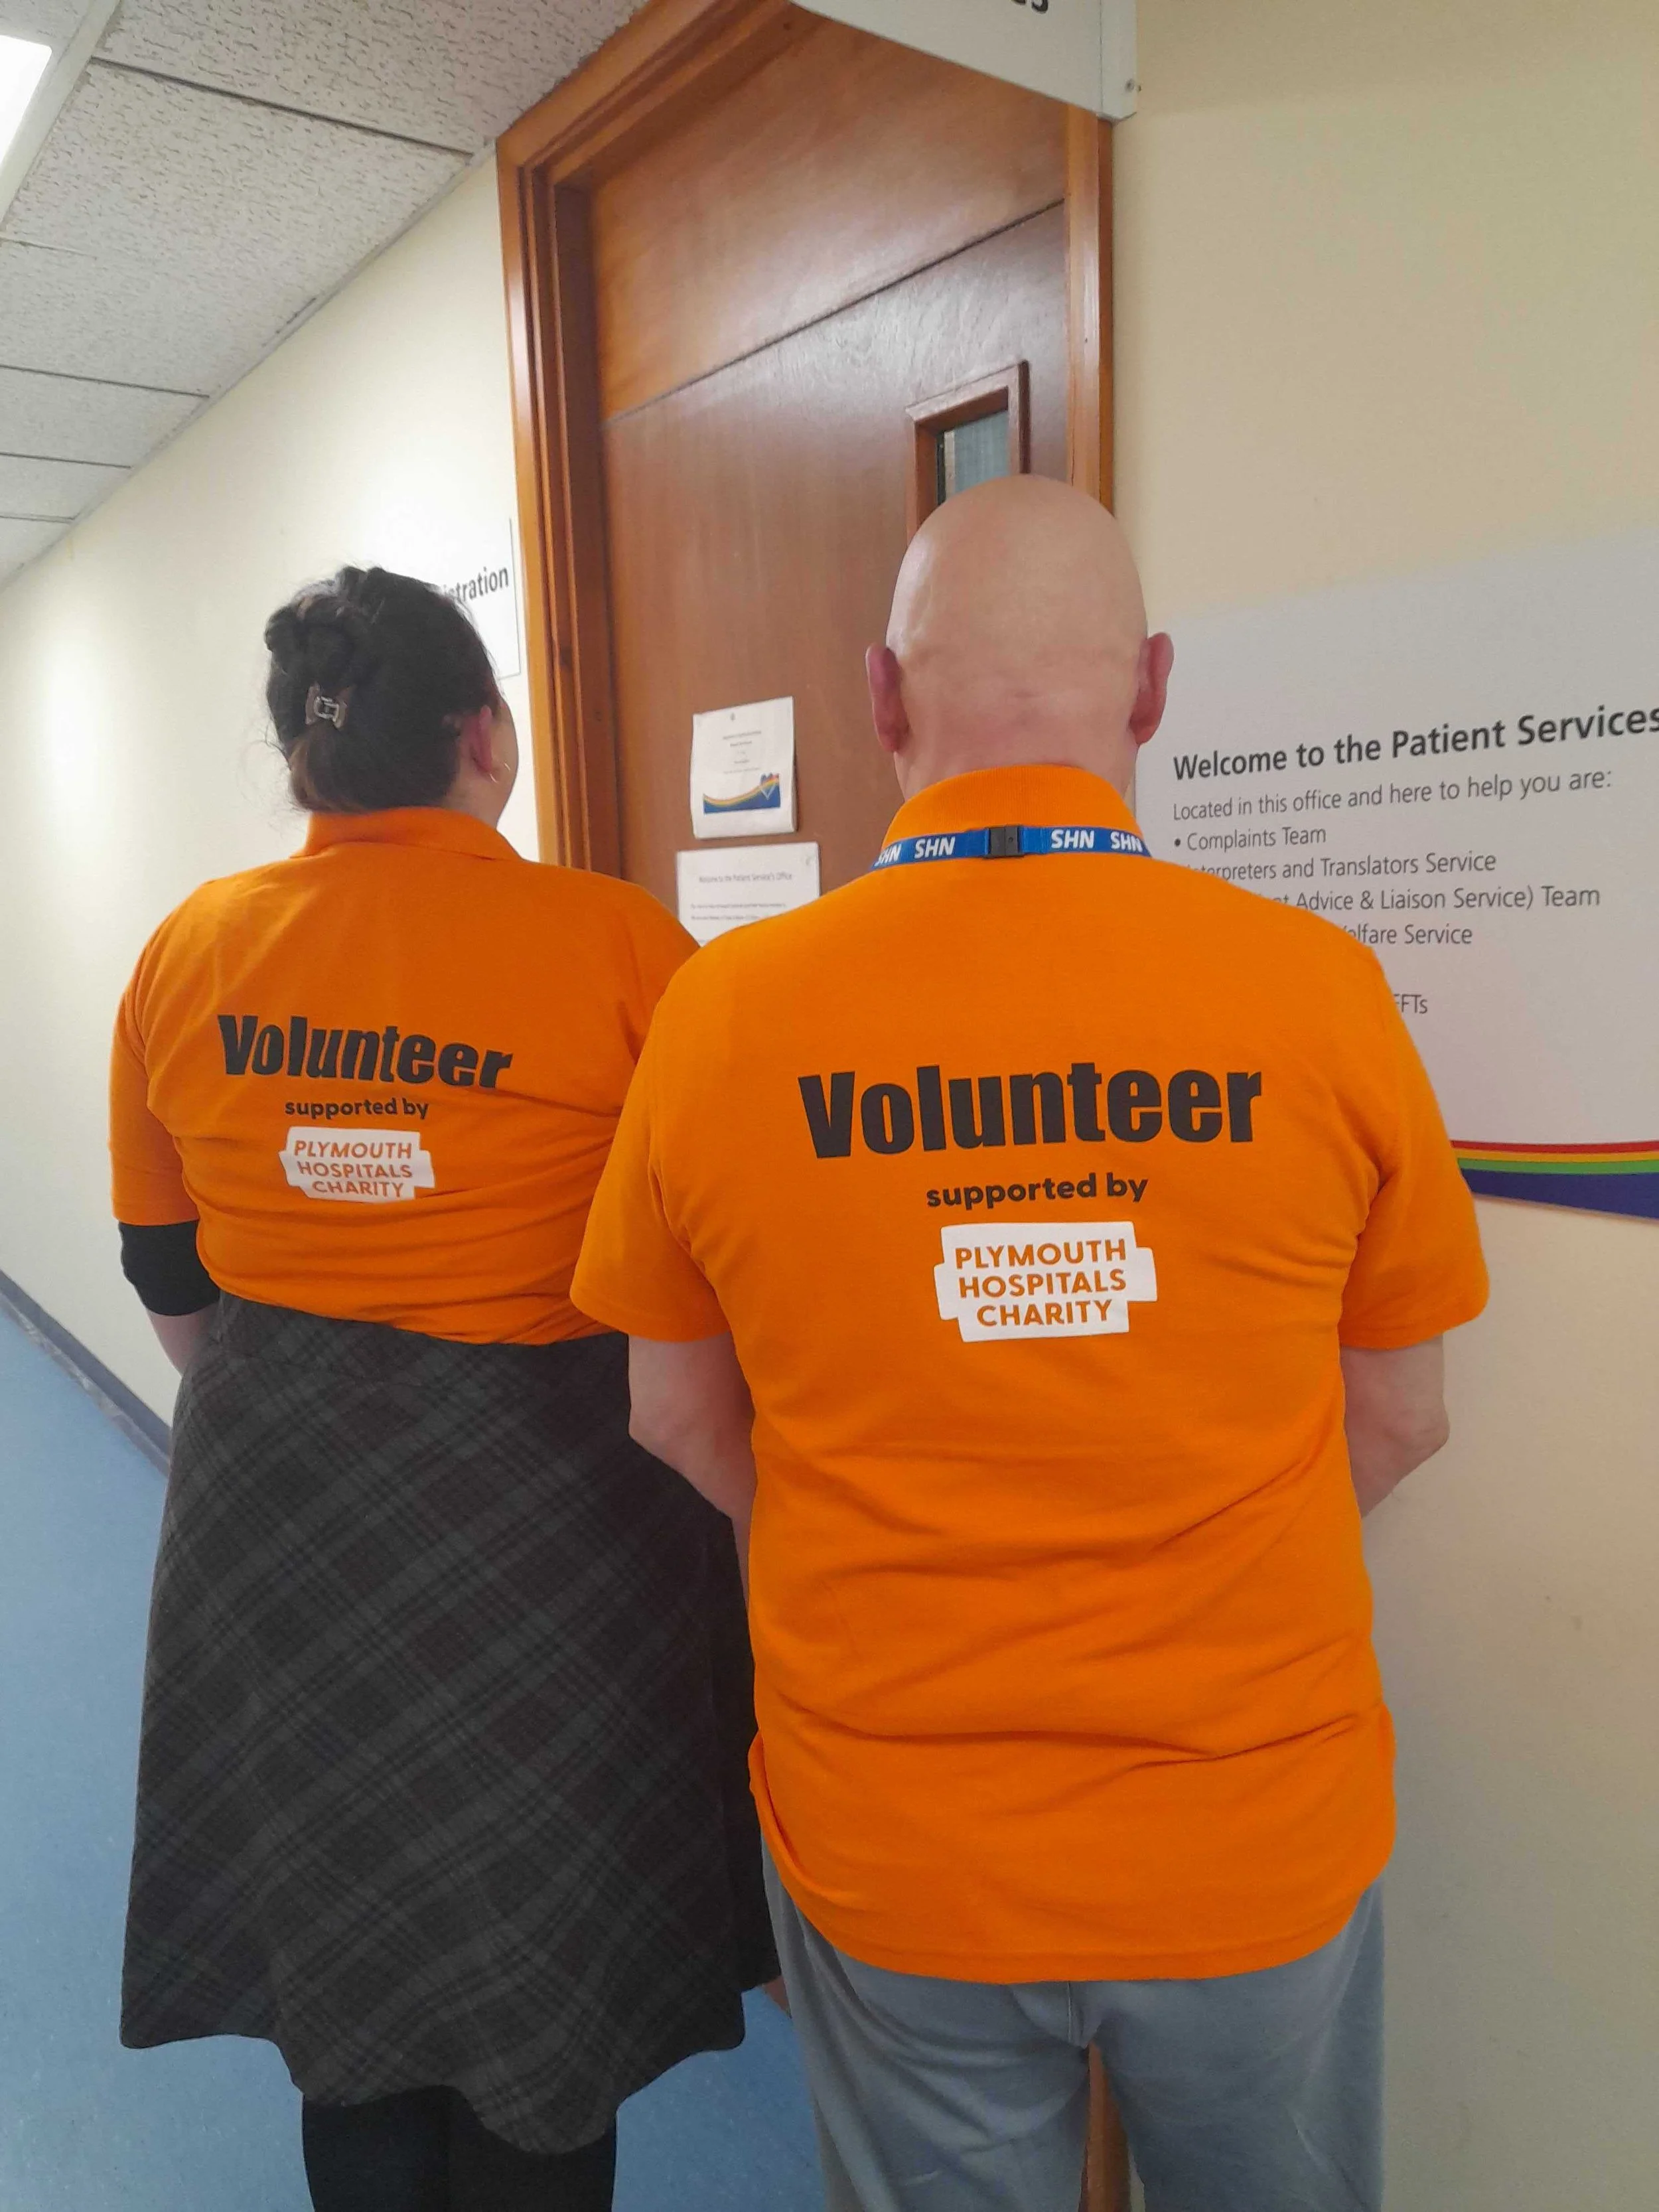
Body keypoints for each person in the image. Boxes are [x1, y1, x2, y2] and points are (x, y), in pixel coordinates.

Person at [569, 477, 1489, 2212]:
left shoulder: (724, 1017)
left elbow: (674, 1409)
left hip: (896, 1837)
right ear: (1146, 690)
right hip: (1249, 1828)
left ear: (877, 696)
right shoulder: (1315, 993)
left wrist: (843, 1554)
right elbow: (1402, 1413)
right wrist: (1212, 1559)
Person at [109, 567, 776, 2212]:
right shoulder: (624, 946)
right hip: (558, 1518)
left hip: (278, 1516)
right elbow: (723, 1270)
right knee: (543, 1941)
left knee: (348, 1943)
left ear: (301, 764)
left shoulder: (189, 951)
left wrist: (323, 1394)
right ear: (487, 736)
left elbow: (167, 1281)